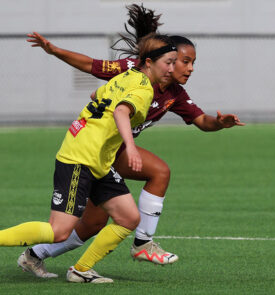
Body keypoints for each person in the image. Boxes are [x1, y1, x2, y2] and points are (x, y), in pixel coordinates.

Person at [19, 4, 244, 279]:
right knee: (158, 172)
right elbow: (91, 65)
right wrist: (54, 51)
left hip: (113, 152)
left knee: (94, 223)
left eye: (192, 63)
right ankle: (142, 243)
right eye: (185, 61)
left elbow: (202, 122)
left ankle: (36, 255)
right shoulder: (132, 70)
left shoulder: (175, 93)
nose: (190, 68)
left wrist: (220, 123)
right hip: (96, 149)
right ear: (166, 59)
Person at [0, 32, 178, 283]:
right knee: (59, 231)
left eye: (174, 62)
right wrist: (131, 145)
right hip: (80, 157)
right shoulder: (144, 89)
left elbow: (96, 96)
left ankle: (81, 270)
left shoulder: (127, 76)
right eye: (168, 62)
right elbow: (121, 111)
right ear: (148, 62)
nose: (171, 68)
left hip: (98, 160)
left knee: (128, 218)